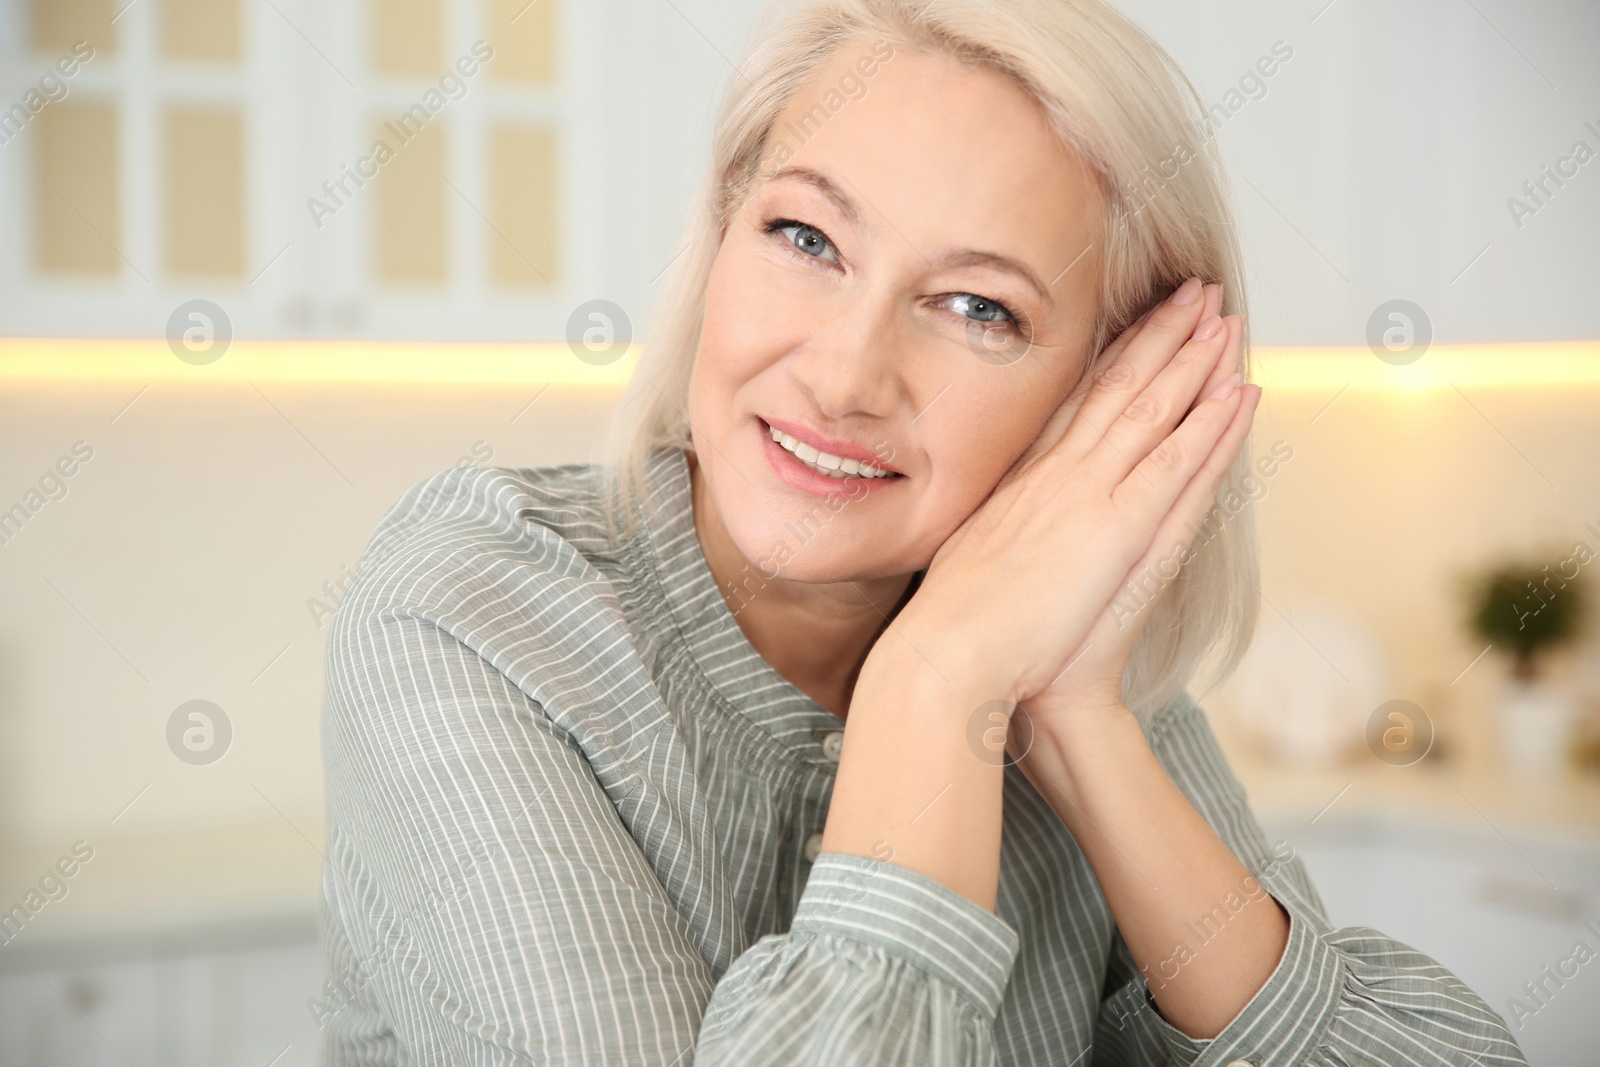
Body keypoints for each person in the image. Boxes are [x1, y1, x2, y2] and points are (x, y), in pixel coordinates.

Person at [317, 0, 1524, 1062]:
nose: (845, 375)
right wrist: (936, 689)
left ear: (1107, 394)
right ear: (722, 232)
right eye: (805, 238)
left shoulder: (1065, 658)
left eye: (975, 308)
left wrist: (1076, 722)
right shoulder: (469, 609)